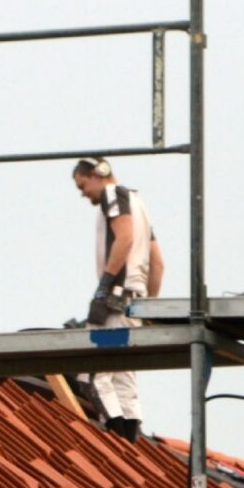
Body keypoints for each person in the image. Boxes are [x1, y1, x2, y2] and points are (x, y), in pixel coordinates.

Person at [72, 157, 164, 442]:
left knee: (92, 374)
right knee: (124, 376)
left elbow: (123, 239)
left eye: (82, 185)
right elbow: (158, 263)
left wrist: (104, 287)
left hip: (114, 301)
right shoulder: (139, 203)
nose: (83, 193)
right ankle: (131, 442)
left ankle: (114, 438)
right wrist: (149, 306)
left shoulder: (114, 195)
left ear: (97, 174)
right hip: (132, 303)